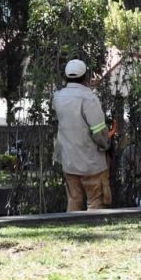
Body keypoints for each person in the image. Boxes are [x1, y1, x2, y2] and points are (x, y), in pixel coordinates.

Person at [53, 59, 112, 211]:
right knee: (95, 202)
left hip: (69, 161)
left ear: (66, 76)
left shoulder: (58, 97)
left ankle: (73, 230)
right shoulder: (88, 98)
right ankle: (94, 231)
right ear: (85, 76)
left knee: (74, 200)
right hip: (91, 162)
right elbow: (99, 131)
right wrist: (107, 145)